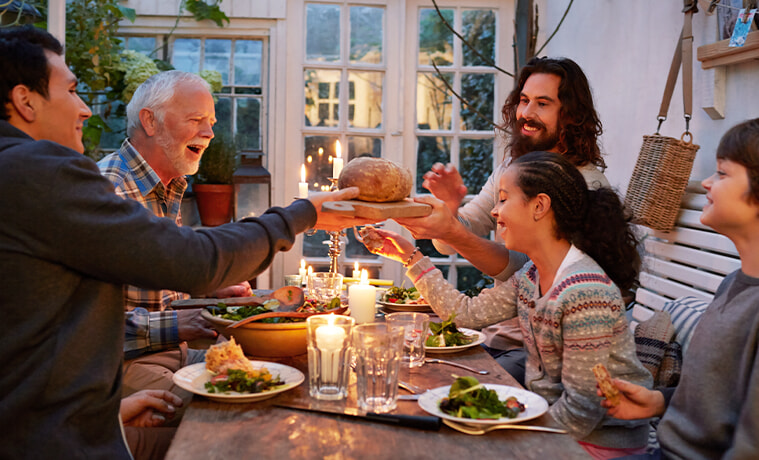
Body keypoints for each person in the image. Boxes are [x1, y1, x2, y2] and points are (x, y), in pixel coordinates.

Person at [0, 25, 363, 459]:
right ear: (25, 100)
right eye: (73, 91)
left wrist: (111, 413)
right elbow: (191, 258)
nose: (84, 109)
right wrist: (303, 214)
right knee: (271, 422)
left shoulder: (24, 174)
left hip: (59, 419)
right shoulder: (46, 172)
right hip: (59, 434)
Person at [366, 151, 652, 459]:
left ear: (539, 206)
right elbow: (467, 314)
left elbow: (582, 411)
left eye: (503, 200)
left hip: (595, 446)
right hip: (555, 429)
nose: (494, 212)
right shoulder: (531, 274)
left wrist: (507, 437)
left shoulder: (585, 293)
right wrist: (410, 257)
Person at [397, 56, 611, 384]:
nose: (526, 113)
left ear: (569, 115)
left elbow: (530, 269)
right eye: (524, 101)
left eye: (543, 103)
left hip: (538, 349)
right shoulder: (512, 171)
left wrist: (447, 234)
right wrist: (451, 209)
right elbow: (448, 241)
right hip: (497, 335)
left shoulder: (585, 186)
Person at [598, 118, 759, 459]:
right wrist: (658, 401)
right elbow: (721, 399)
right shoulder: (733, 284)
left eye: (723, 173)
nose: (707, 184)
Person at [97, 71, 250, 413]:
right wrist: (178, 323)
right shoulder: (109, 190)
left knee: (266, 372)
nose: (209, 133)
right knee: (230, 410)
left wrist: (209, 290)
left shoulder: (167, 184)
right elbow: (84, 323)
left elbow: (149, 282)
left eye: (211, 121)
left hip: (170, 352)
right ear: (150, 121)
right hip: (120, 366)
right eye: (196, 120)